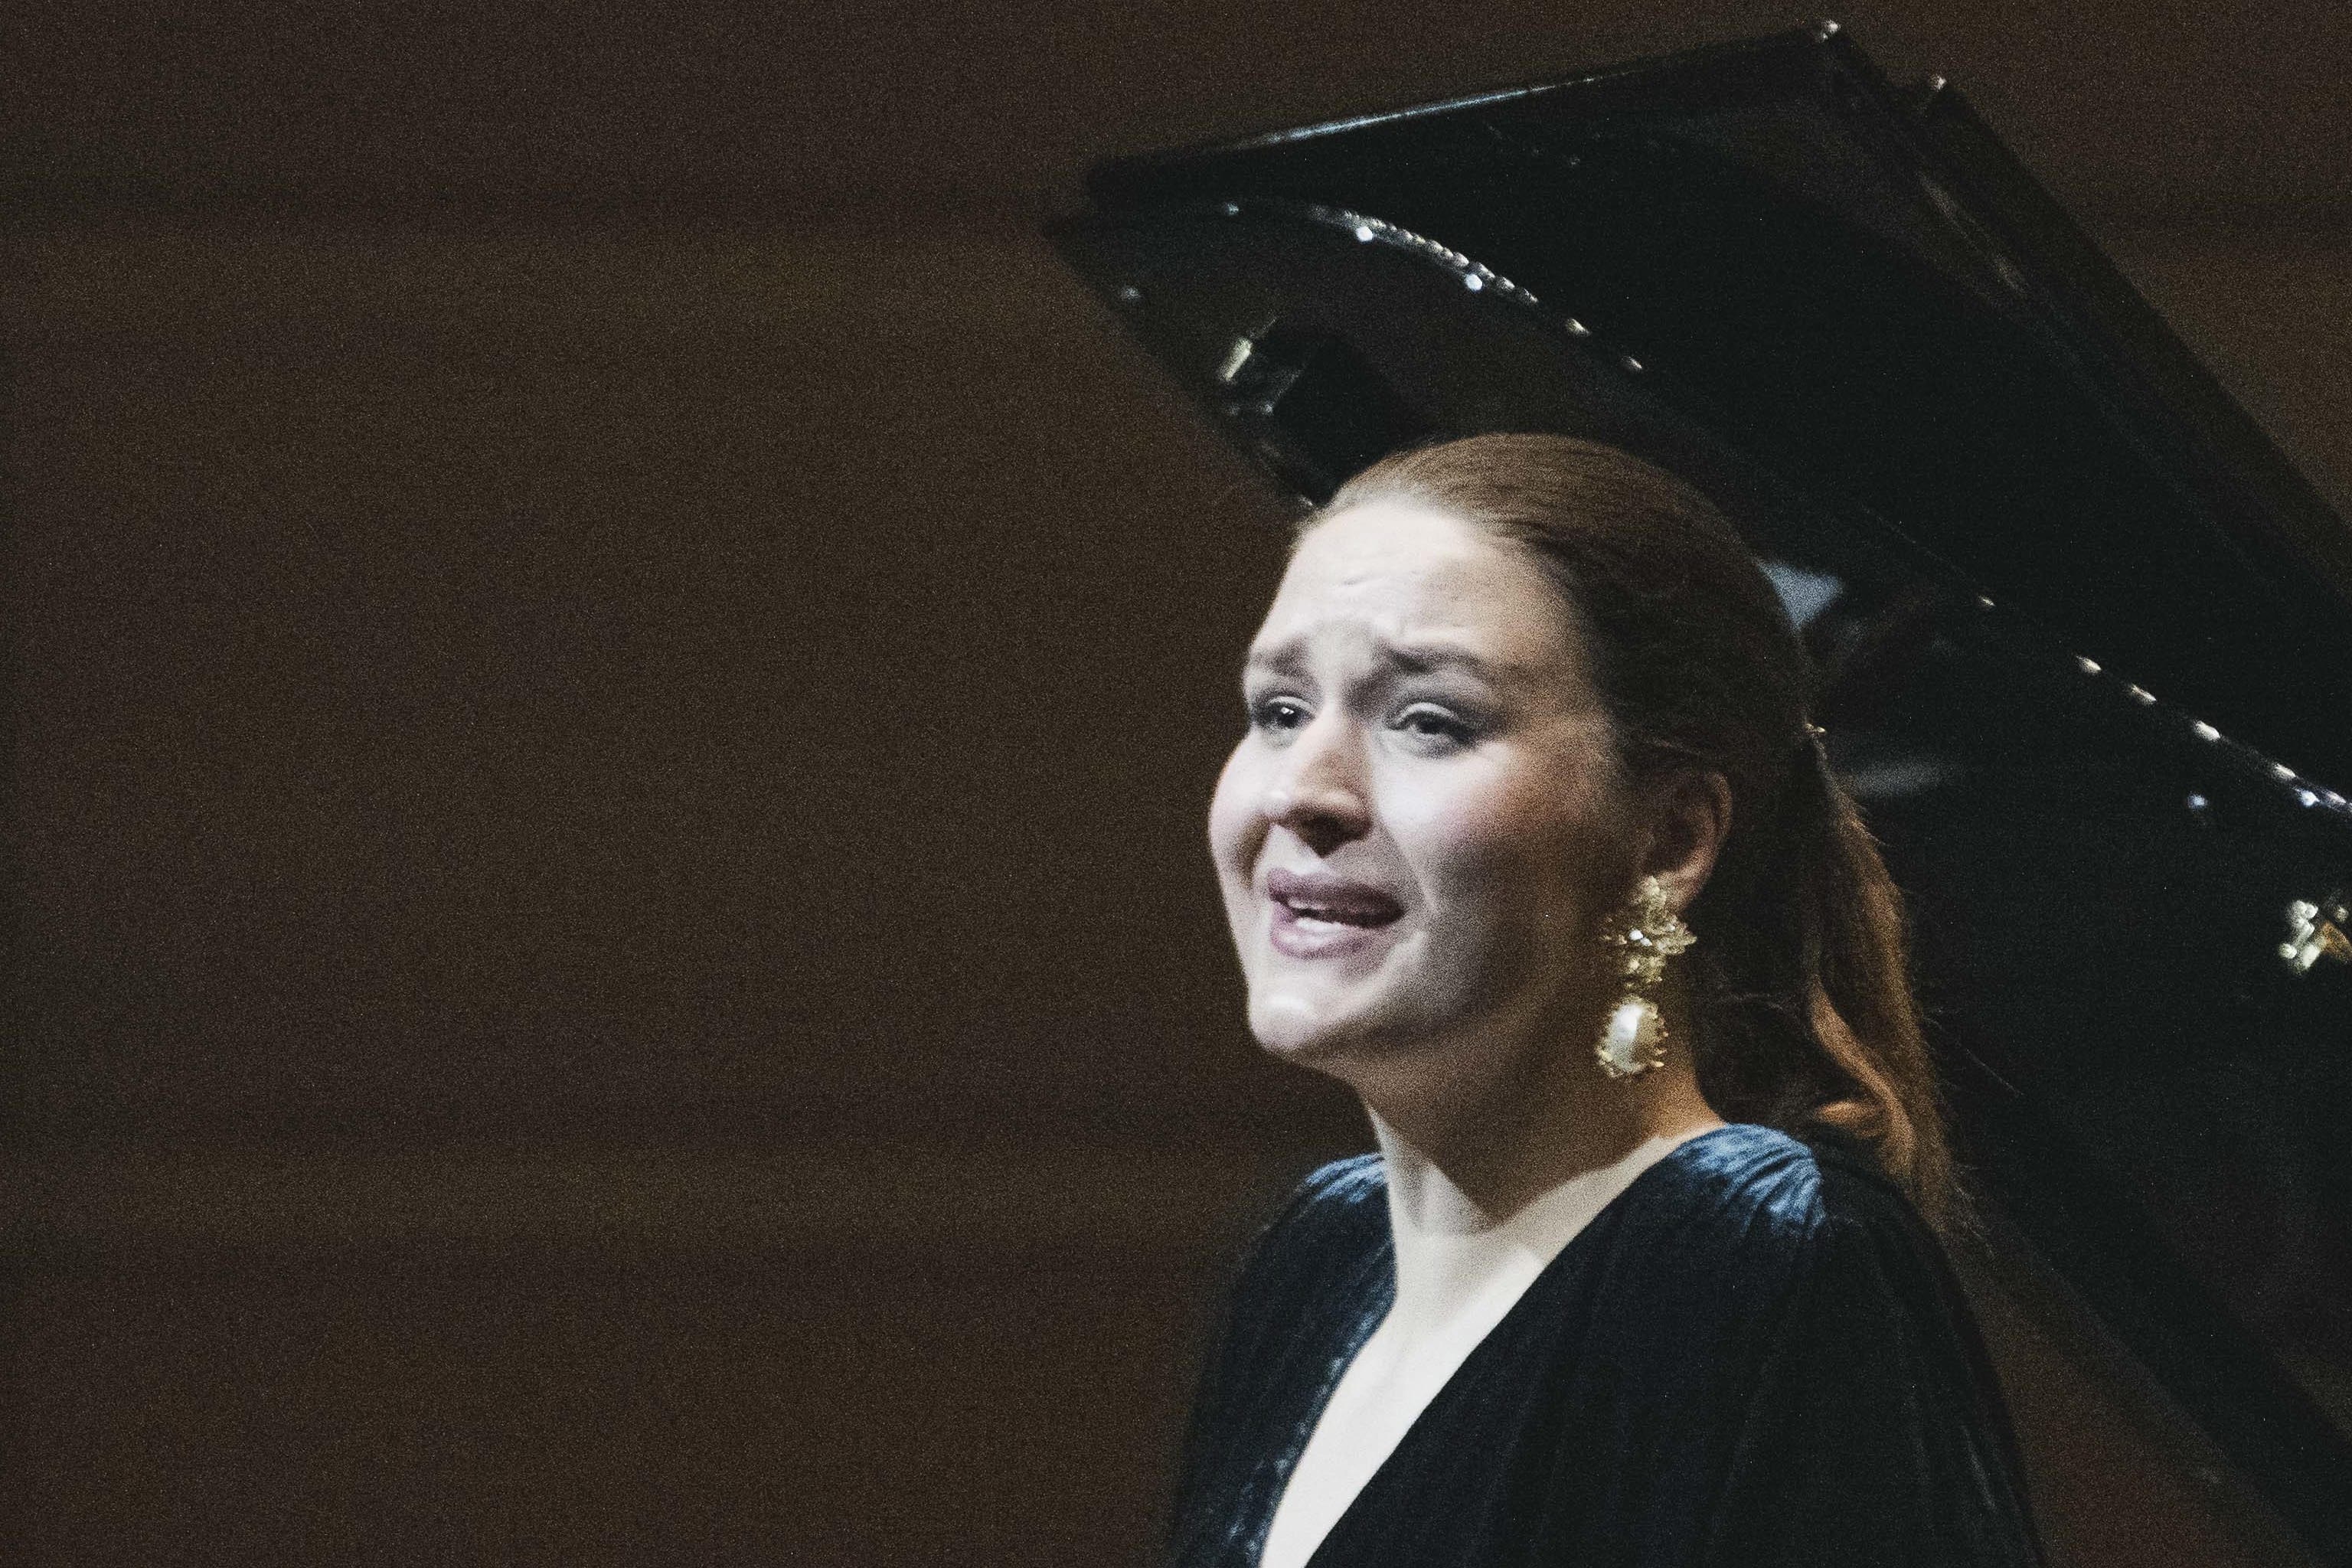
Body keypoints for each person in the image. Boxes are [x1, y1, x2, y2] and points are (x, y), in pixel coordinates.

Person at [1178, 433, 2050, 1567]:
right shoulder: (1316, 1259)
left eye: (1428, 720)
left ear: (1672, 837)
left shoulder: (1766, 1257)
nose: (1304, 790)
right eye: (1280, 710)